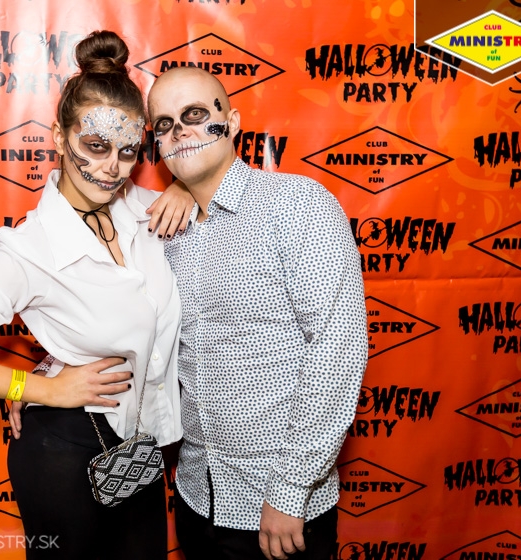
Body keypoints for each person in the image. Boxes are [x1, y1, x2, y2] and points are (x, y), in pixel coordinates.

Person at [0, 31, 193, 560]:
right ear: (60, 138)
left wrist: (184, 184)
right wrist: (41, 387)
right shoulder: (28, 249)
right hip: (61, 449)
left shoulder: (146, 210)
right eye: (96, 146)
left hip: (141, 446)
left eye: (128, 151)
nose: (111, 167)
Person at [147, 67, 369, 560]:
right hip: (196, 496)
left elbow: (337, 351)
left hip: (278, 509)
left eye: (195, 114)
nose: (179, 130)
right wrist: (47, 376)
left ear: (232, 122)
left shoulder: (297, 205)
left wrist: (291, 491)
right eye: (164, 123)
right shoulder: (166, 232)